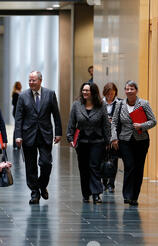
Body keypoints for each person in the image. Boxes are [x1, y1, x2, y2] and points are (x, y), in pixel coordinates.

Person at [14, 71, 62, 204]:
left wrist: (58, 132)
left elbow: (56, 115)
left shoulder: (50, 94)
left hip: (45, 135)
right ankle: (34, 192)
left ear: (40, 80)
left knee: (46, 163)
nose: (31, 83)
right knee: (31, 166)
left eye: (33, 80)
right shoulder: (23, 96)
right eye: (29, 80)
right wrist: (18, 136)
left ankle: (42, 184)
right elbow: (19, 118)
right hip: (28, 135)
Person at [111, 80, 157, 206]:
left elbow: (153, 121)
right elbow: (114, 122)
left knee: (138, 168)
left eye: (132, 89)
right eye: (127, 89)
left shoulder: (143, 103)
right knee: (129, 166)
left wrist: (142, 126)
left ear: (136, 90)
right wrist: (114, 138)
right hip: (125, 140)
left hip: (141, 140)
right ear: (125, 91)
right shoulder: (120, 104)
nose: (129, 91)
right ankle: (127, 195)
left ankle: (134, 196)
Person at [67, 82, 110, 203]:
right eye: (83, 90)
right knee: (83, 168)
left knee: (94, 166)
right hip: (82, 141)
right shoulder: (76, 105)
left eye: (87, 90)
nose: (85, 92)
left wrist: (108, 141)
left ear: (93, 92)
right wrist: (70, 138)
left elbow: (106, 125)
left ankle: (96, 193)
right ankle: (86, 193)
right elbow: (72, 122)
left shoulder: (101, 105)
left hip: (97, 141)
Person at [102, 82, 121, 192]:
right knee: (103, 159)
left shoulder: (119, 103)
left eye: (112, 94)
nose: (110, 96)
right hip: (103, 136)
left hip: (115, 136)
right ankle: (104, 182)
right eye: (108, 94)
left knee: (114, 160)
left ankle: (111, 184)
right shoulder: (100, 102)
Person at [11, 81, 22, 150]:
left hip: (19, 112)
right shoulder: (15, 93)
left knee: (18, 128)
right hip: (16, 112)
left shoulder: (20, 93)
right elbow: (13, 103)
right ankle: (15, 144)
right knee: (17, 128)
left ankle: (17, 144)